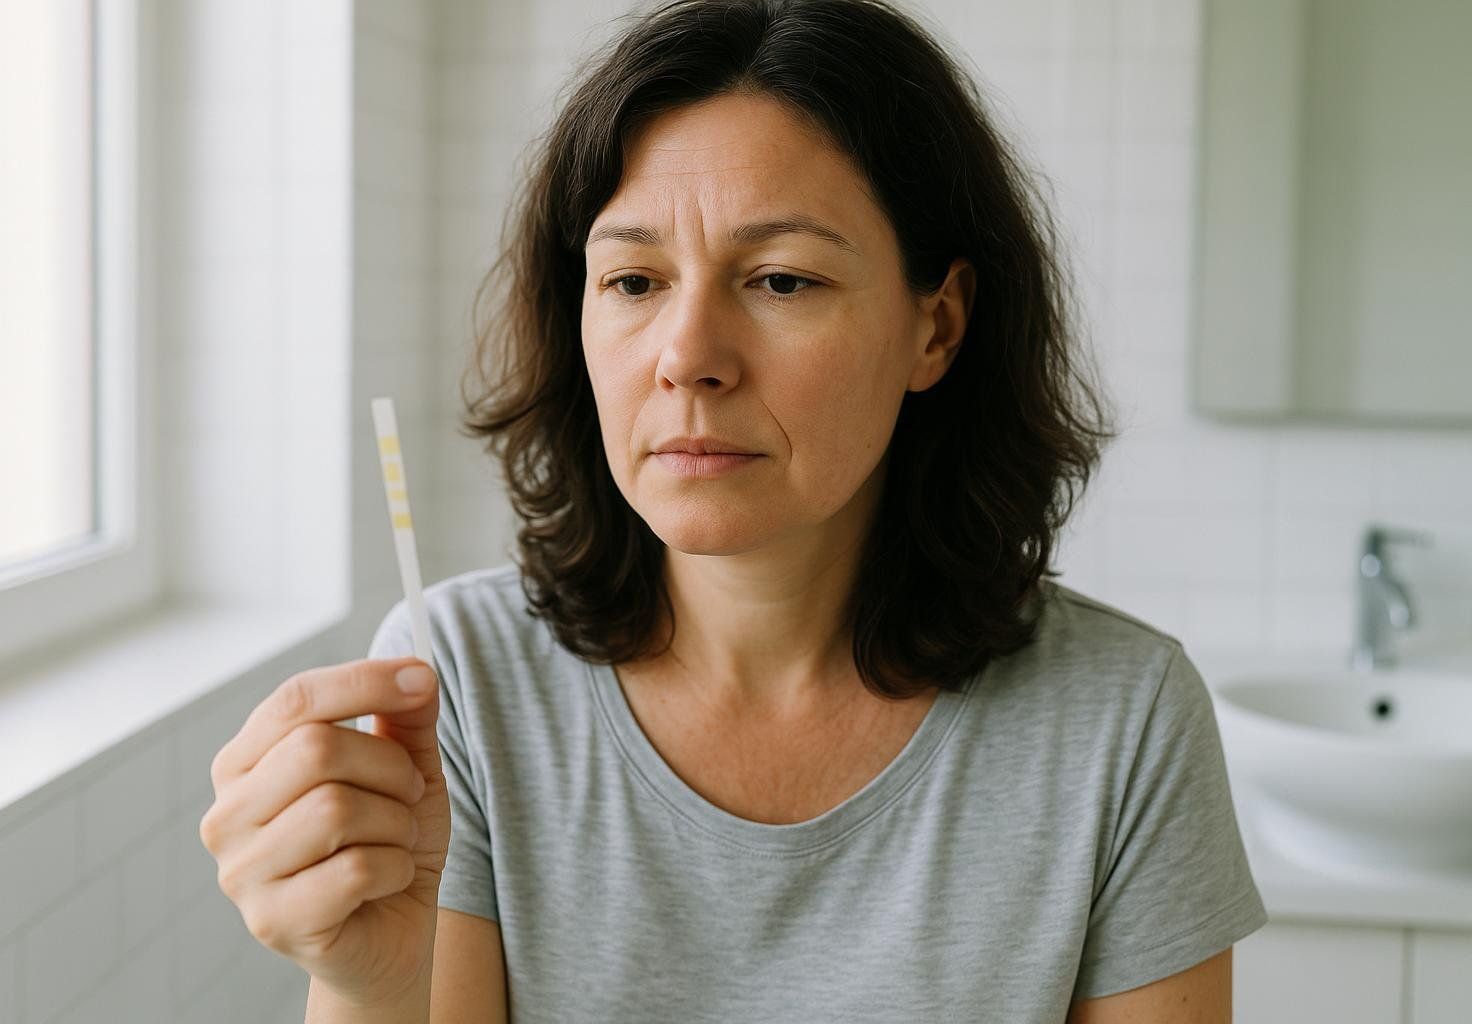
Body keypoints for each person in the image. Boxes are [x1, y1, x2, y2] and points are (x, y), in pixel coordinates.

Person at [204, 1, 1268, 1021]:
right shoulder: (457, 687)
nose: (688, 358)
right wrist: (368, 989)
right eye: (632, 281)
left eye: (782, 280)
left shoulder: (1122, 724)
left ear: (935, 329)